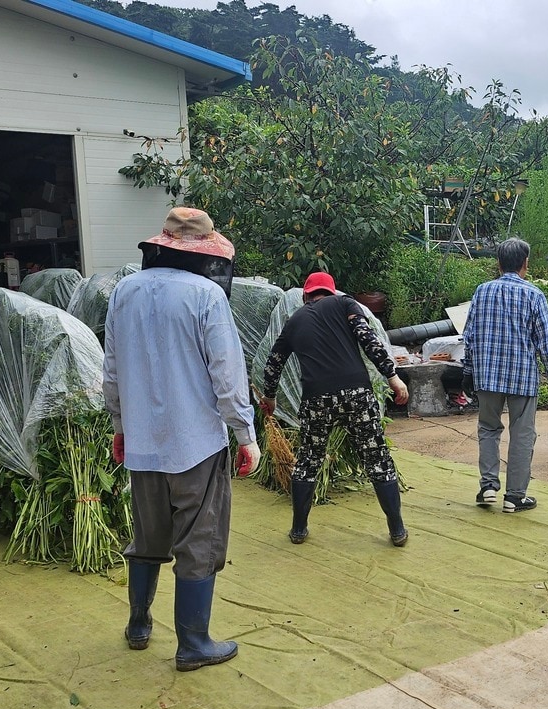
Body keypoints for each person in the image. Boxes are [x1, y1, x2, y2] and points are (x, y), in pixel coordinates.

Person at [103, 206, 260, 672]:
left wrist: (120, 427)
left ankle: (138, 623)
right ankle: (193, 643)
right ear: (204, 253)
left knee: (147, 535)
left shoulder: (125, 291)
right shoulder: (206, 295)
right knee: (199, 539)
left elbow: (112, 370)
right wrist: (245, 434)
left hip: (142, 443)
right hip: (196, 443)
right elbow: (227, 374)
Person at [259, 272, 412, 547]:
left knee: (308, 461)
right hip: (357, 395)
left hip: (316, 400)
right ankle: (397, 529)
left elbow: (273, 363)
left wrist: (270, 397)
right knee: (376, 457)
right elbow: (367, 338)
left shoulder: (294, 320)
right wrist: (392, 376)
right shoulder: (345, 304)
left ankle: (298, 529)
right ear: (332, 292)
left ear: (305, 296)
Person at [462, 238, 548, 513]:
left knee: (488, 428)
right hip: (522, 377)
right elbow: (546, 342)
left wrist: (468, 371)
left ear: (498, 263)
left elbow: (469, 336)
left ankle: (488, 486)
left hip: (487, 375)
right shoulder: (534, 295)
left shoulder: (482, 291)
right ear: (525, 264)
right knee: (522, 434)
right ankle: (515, 496)